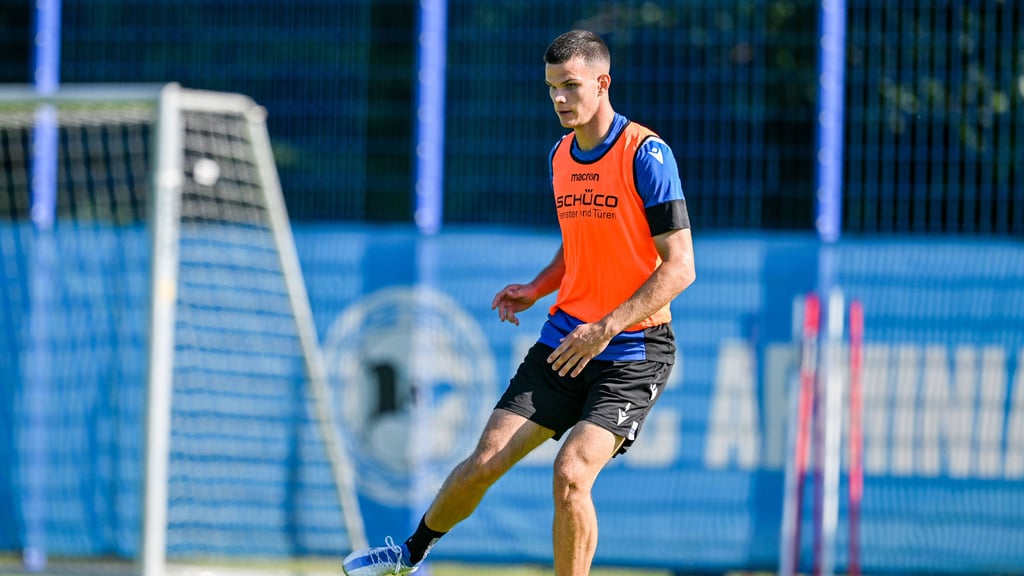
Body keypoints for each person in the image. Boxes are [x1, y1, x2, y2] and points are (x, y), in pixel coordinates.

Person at [342, 29, 696, 576]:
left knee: (572, 472)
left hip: (633, 349)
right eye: (552, 87)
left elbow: (680, 267)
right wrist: (537, 286)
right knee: (484, 461)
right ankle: (408, 558)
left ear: (603, 83)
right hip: (564, 340)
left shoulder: (645, 154)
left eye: (571, 86)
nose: (559, 99)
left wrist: (604, 327)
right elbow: (583, 242)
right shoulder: (560, 154)